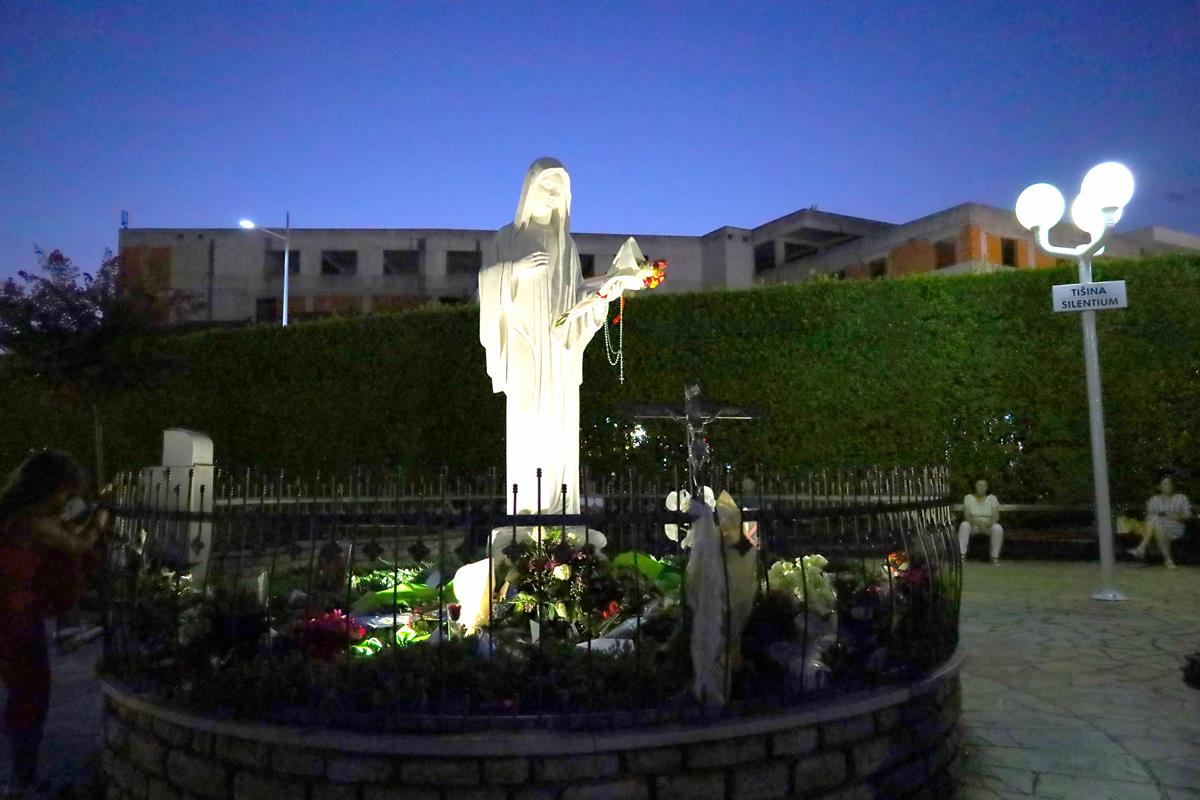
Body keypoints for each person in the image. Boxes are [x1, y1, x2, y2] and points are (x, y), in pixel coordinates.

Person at [478, 157, 645, 514]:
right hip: (523, 339)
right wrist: (515, 270)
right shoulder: (507, 238)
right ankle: (525, 507)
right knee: (526, 414)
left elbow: (575, 298)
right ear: (530, 187)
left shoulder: (565, 245)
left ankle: (559, 507)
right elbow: (486, 285)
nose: (552, 195)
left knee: (558, 422)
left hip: (559, 350)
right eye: (546, 186)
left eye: (559, 189)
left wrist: (607, 291)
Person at [0, 451, 110, 797]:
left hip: (11, 612)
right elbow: (77, 544)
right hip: (16, 617)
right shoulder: (34, 521)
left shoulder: (14, 514)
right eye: (67, 491)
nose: (67, 499)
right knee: (31, 694)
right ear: (52, 487)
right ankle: (22, 781)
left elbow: (61, 533)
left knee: (22, 693)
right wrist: (101, 520)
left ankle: (21, 777)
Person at [1127, 472, 1192, 569]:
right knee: (1155, 521)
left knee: (1155, 520)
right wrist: (1160, 516)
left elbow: (1188, 515)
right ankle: (1168, 561)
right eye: (1165, 484)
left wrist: (1172, 516)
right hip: (1158, 528)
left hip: (1176, 529)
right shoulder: (1154, 500)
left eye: (1170, 483)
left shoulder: (1181, 498)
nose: (1169, 486)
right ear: (1159, 487)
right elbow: (1149, 517)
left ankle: (1142, 548)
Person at [958, 478, 1004, 565]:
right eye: (979, 485)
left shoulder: (992, 498)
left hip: (988, 525)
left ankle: (994, 557)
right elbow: (967, 515)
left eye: (984, 486)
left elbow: (995, 516)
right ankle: (962, 556)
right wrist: (977, 523)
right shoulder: (968, 498)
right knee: (964, 525)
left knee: (998, 528)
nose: (982, 488)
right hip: (973, 525)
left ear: (987, 487)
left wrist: (987, 524)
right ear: (975, 486)